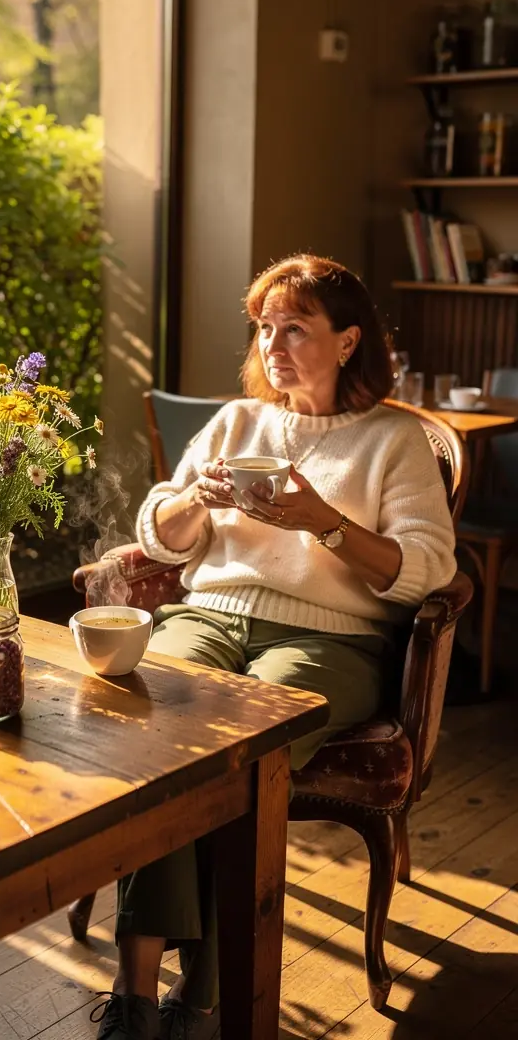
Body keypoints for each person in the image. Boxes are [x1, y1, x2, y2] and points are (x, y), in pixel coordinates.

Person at [95, 255, 456, 1040]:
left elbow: (427, 569)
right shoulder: (235, 424)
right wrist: (195, 500)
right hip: (211, 614)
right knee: (157, 743)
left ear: (349, 340)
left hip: (334, 640)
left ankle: (195, 1002)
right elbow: (158, 537)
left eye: (296, 327)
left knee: (235, 752)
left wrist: (321, 522)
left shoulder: (396, 440)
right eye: (265, 328)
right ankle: (135, 997)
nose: (274, 345)